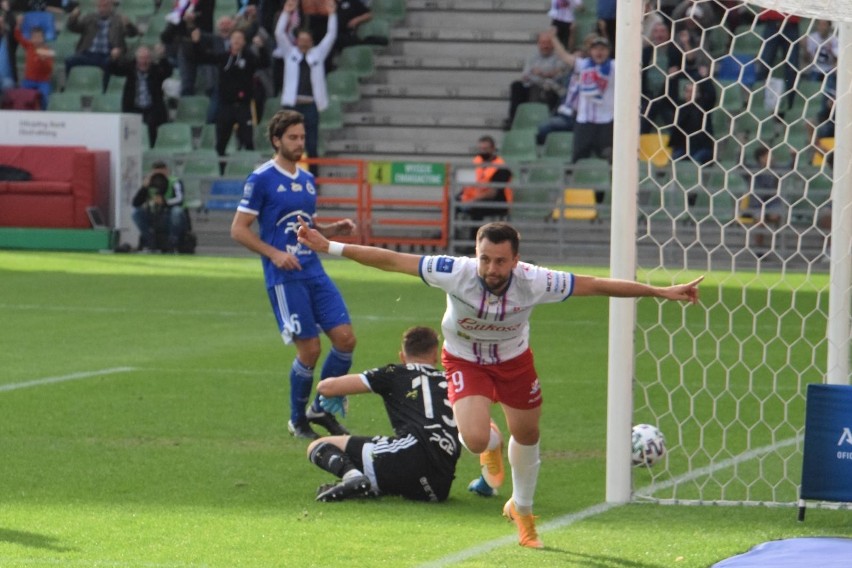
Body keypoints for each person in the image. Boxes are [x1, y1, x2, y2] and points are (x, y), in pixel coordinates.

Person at [296, 220, 702, 548]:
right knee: (473, 439)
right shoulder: (456, 272)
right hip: (465, 359)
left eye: (500, 261)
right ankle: (489, 447)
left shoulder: (536, 280)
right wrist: (329, 246)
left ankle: (521, 510)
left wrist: (659, 291)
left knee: (527, 433)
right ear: (477, 255)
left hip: (513, 362)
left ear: (516, 260)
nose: (491, 269)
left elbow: (595, 284)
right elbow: (393, 260)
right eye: (485, 259)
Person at [230, 109, 357, 440]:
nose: (300, 143)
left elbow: (304, 225)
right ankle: (297, 420)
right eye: (293, 138)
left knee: (345, 340)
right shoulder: (261, 179)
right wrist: (274, 254)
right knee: (310, 350)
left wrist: (330, 229)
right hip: (285, 277)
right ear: (277, 140)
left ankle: (321, 406)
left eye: (302, 137)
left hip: (314, 270)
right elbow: (239, 230)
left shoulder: (307, 180)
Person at [307, 326, 461, 502]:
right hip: (439, 484)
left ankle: (352, 476)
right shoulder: (452, 381)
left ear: (402, 356)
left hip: (407, 455)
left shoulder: (394, 372)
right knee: (389, 456)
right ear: (436, 355)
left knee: (318, 446)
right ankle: (371, 485)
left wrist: (339, 394)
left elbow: (325, 387)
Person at [190, 24, 268, 171]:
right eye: (234, 38)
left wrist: (262, 48)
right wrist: (196, 42)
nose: (237, 41)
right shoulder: (224, 57)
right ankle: (221, 171)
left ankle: (249, 172)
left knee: (248, 140)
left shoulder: (249, 58)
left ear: (244, 42)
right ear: (230, 41)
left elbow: (264, 63)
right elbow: (201, 57)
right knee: (221, 142)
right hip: (225, 106)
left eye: (240, 38)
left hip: (243, 106)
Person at [274, 0, 337, 176]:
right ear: (297, 41)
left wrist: (332, 15)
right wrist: (286, 13)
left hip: (310, 105)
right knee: (287, 143)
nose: (303, 43)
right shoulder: (290, 54)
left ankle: (313, 178)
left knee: (311, 144)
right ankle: (285, 174)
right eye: (301, 40)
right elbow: (279, 33)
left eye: (306, 41)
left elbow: (331, 35)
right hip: (292, 105)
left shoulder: (318, 54)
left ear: (311, 42)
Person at [550, 32, 615, 163]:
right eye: (596, 49)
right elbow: (565, 57)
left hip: (606, 120)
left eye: (602, 49)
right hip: (584, 120)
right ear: (590, 51)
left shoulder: (614, 66)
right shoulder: (583, 65)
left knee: (609, 157)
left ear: (608, 51)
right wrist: (553, 39)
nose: (599, 52)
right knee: (578, 156)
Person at [64, 0, 139, 91]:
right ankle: (69, 87)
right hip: (88, 53)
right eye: (99, 6)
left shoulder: (118, 19)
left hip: (108, 54)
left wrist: (128, 24)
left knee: (109, 64)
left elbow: (133, 34)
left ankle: (104, 91)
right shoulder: (89, 17)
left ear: (111, 6)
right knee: (69, 61)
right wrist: (73, 17)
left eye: (105, 6)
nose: (102, 9)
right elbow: (74, 28)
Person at [108, 43, 172, 148]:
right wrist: (113, 58)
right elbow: (114, 69)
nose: (144, 62)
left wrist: (162, 57)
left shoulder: (156, 70)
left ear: (150, 60)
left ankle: (151, 148)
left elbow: (167, 72)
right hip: (133, 107)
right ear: (137, 59)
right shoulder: (130, 67)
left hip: (152, 108)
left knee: (151, 124)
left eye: (147, 59)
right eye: (141, 59)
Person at [456, 136, 512, 249]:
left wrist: (472, 201)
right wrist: (463, 197)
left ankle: (473, 245)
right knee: (453, 203)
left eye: (485, 149)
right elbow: (468, 184)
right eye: (481, 148)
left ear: (492, 149)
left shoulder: (501, 167)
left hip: (498, 203)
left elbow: (492, 193)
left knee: (476, 209)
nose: (483, 151)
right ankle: (454, 241)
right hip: (476, 199)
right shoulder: (476, 163)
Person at [738, 145, 792, 256]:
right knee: (760, 220)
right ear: (761, 158)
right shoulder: (752, 170)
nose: (772, 158)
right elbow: (740, 166)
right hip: (757, 205)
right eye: (769, 155)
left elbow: (790, 168)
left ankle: (776, 243)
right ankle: (759, 250)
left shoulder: (776, 169)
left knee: (776, 215)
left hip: (773, 204)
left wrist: (794, 156)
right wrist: (741, 149)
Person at [506, 31, 568, 128]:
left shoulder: (559, 58)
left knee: (547, 89)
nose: (545, 46)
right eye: (542, 43)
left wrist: (541, 74)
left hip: (551, 89)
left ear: (552, 44)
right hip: (533, 86)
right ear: (538, 44)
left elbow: (558, 76)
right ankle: (513, 120)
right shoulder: (532, 58)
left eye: (548, 43)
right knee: (517, 85)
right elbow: (526, 75)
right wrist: (545, 75)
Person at [131, 160, 190, 252]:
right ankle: (150, 241)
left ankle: (173, 242)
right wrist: (144, 188)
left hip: (171, 216)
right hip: (155, 216)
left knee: (176, 211)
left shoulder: (175, 181)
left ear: (167, 171)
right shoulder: (150, 183)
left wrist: (164, 202)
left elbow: (180, 199)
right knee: (136, 213)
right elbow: (136, 203)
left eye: (161, 173)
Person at [667, 78, 716, 164]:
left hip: (701, 148)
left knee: (694, 162)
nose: (690, 94)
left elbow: (712, 96)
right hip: (683, 148)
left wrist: (706, 78)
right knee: (674, 160)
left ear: (698, 94)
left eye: (693, 91)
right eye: (688, 91)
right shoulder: (680, 108)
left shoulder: (703, 107)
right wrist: (672, 78)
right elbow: (668, 97)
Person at [12, 16, 53, 109]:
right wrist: (18, 24)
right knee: (21, 96)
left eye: (39, 37)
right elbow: (17, 35)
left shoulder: (47, 51)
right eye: (34, 37)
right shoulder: (29, 46)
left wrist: (43, 61)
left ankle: (44, 116)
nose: (37, 39)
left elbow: (50, 69)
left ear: (43, 38)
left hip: (43, 82)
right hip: (28, 80)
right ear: (31, 38)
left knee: (45, 97)